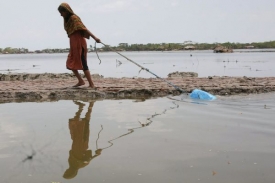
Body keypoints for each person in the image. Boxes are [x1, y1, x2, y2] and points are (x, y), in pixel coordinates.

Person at [58, 3, 101, 88]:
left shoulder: (74, 18)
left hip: (79, 42)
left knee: (83, 63)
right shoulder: (67, 20)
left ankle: (91, 84)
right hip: (73, 43)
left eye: (62, 12)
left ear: (66, 11)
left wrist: (95, 38)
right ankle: (81, 81)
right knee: (70, 63)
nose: (61, 14)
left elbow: (84, 29)